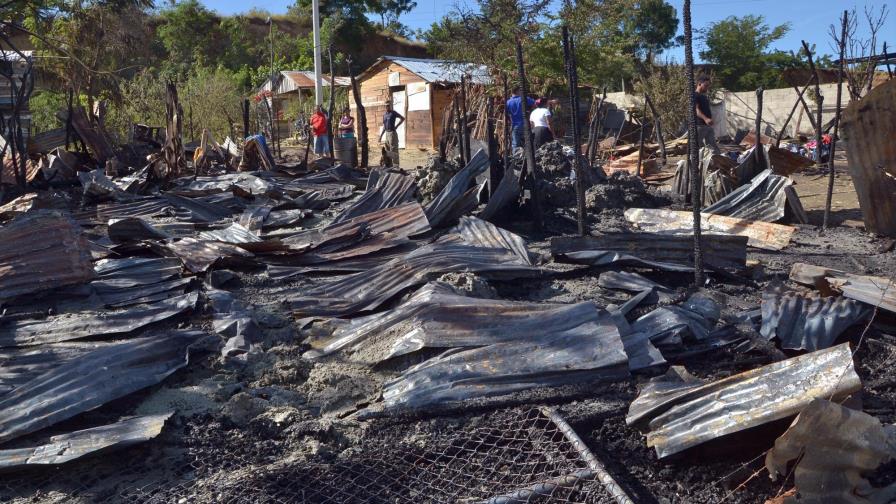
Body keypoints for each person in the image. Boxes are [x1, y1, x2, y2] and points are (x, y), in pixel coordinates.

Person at [693, 76, 721, 155]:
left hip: (707, 126)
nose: (707, 88)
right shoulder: (695, 95)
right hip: (699, 126)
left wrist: (709, 120)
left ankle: (719, 162)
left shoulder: (704, 96)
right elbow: (696, 109)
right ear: (699, 84)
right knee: (696, 146)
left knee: (713, 146)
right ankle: (695, 165)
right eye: (705, 85)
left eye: (708, 86)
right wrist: (706, 119)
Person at [506, 86, 535, 151]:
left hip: (515, 125)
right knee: (528, 143)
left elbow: (506, 114)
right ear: (517, 91)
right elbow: (534, 103)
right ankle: (528, 159)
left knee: (516, 145)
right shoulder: (524, 99)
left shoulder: (508, 102)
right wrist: (530, 112)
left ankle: (516, 159)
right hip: (526, 125)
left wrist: (510, 121)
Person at [379, 101, 405, 167]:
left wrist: (396, 126)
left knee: (393, 150)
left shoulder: (393, 113)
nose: (387, 107)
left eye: (388, 105)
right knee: (387, 150)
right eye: (386, 106)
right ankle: (389, 165)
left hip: (392, 133)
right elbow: (384, 126)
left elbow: (402, 118)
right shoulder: (384, 115)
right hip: (387, 134)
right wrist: (381, 136)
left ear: (390, 106)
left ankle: (396, 166)